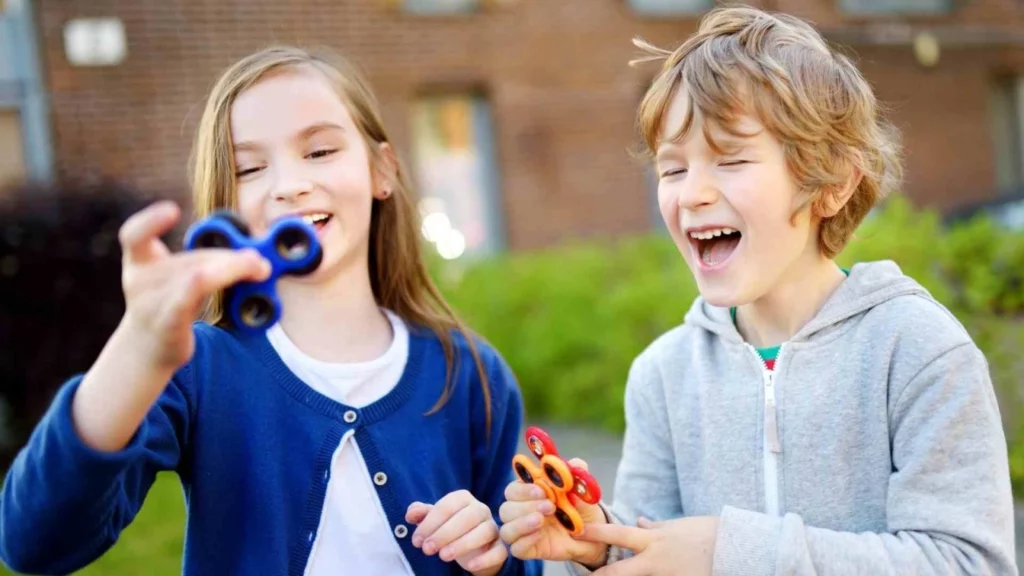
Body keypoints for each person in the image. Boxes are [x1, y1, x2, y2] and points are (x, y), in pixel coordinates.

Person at [498, 7, 1018, 575]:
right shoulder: (664, 375)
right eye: (672, 170)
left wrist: (734, 553)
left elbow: (969, 564)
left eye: (732, 160)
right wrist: (599, 548)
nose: (692, 194)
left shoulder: (916, 351)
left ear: (834, 184)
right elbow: (660, 551)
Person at [0, 45, 542, 576]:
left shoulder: (470, 373)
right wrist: (137, 347)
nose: (290, 186)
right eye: (250, 168)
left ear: (382, 170)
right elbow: (33, 543)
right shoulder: (199, 368)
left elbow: (523, 555)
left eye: (320, 152)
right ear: (226, 207)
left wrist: (494, 553)